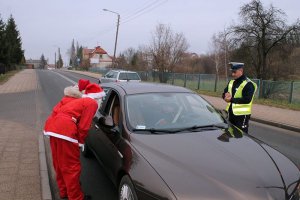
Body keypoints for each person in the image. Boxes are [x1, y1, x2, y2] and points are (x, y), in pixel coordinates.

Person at [44, 83, 105, 200]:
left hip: (52, 128)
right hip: (65, 131)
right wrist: (80, 142)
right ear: (98, 97)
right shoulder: (91, 103)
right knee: (71, 167)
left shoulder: (71, 100)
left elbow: (55, 111)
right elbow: (84, 126)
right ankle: (76, 197)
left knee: (59, 163)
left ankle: (64, 192)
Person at [222, 62, 257, 133]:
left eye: (234, 72)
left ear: (241, 71)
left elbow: (247, 100)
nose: (232, 74)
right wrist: (225, 97)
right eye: (232, 72)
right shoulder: (231, 82)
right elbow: (224, 93)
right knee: (230, 133)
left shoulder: (248, 84)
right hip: (230, 114)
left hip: (242, 116)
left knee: (241, 136)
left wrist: (231, 99)